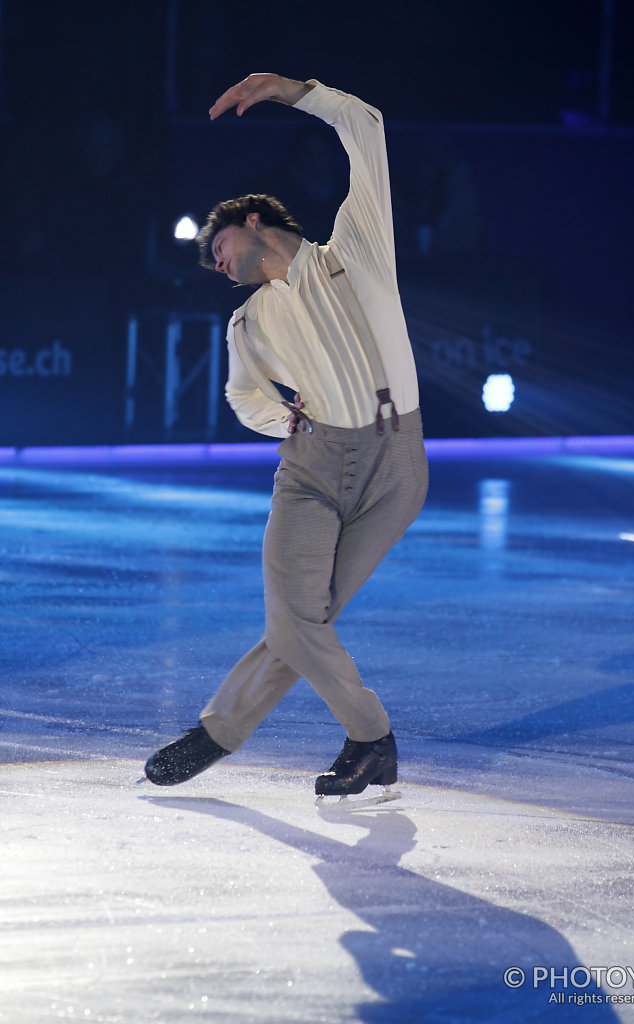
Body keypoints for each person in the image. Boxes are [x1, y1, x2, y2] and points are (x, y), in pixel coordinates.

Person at [144, 73, 428, 798]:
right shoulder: (249, 322)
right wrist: (283, 420)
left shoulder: (353, 252)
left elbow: (365, 125)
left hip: (392, 466)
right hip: (308, 468)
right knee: (294, 618)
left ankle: (218, 731)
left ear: (252, 220)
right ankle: (369, 740)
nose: (213, 258)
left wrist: (293, 91)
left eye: (218, 241)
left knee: (305, 622)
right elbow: (244, 396)